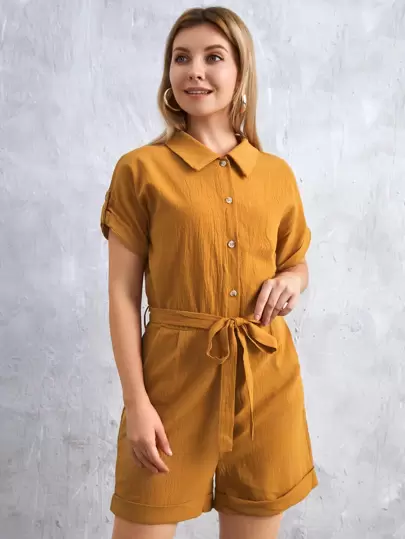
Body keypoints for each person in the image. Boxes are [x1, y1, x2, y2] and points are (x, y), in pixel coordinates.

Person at [100, 6, 318, 539]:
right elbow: (122, 296)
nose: (194, 70)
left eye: (213, 57)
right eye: (181, 58)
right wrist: (136, 402)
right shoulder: (140, 170)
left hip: (266, 383)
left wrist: (292, 280)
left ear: (241, 72)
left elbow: (295, 260)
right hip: (170, 385)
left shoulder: (276, 175)